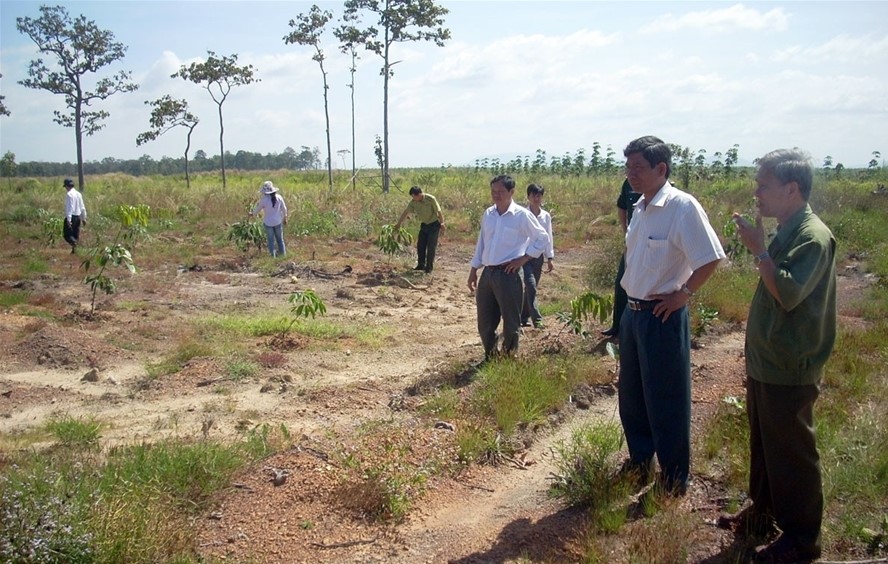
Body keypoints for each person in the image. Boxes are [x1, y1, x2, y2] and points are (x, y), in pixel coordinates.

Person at [718, 149, 835, 563]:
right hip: (769, 361)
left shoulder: (811, 237)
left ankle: (803, 540)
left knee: (792, 453)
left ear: (791, 188)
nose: (756, 193)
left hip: (791, 364)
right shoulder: (788, 227)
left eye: (763, 185)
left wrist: (758, 249)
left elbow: (785, 292)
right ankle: (763, 513)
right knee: (766, 442)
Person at [617, 136, 725, 495]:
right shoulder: (641, 206)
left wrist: (684, 295)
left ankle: (674, 476)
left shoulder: (682, 207)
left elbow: (709, 258)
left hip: (661, 315)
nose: (631, 174)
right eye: (628, 167)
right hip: (633, 315)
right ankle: (640, 461)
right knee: (633, 397)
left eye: (638, 168)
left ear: (661, 169)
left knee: (666, 398)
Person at [467, 175, 550, 361]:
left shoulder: (521, 215)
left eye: (501, 192)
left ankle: (508, 358)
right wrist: (474, 269)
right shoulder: (489, 214)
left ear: (511, 192)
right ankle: (490, 356)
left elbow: (542, 238)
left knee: (511, 321)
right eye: (493, 192)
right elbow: (482, 243)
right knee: (485, 321)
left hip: (508, 274)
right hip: (488, 273)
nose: (496, 195)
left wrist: (524, 258)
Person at [601, 178, 641, 337]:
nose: (633, 173)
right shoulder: (628, 183)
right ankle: (617, 327)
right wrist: (626, 233)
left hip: (651, 246)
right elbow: (622, 207)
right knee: (621, 283)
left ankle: (634, 329)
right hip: (631, 244)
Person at [521, 183, 554, 328]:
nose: (536, 198)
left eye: (538, 195)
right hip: (524, 257)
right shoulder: (522, 214)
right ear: (528, 197)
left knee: (530, 288)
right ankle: (537, 320)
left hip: (538, 258)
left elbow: (548, 237)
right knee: (531, 285)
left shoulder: (545, 216)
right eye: (533, 195)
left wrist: (550, 258)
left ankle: (523, 316)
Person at [394, 186, 445, 273]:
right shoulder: (413, 202)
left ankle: (429, 268)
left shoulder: (430, 199)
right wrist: (398, 224)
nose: (413, 198)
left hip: (434, 225)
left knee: (431, 247)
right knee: (420, 245)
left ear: (419, 194)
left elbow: (439, 211)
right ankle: (421, 265)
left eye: (414, 196)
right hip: (424, 225)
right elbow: (406, 212)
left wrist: (442, 223)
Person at [250, 181, 288, 257]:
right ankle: (283, 255)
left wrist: (252, 214)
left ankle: (272, 257)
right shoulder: (279, 197)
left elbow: (257, 210)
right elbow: (284, 209)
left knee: (271, 241)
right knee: (280, 240)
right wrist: (285, 218)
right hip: (278, 221)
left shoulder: (264, 200)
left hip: (268, 223)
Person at [63, 177, 87, 254]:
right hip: (78, 217)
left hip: (72, 217)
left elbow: (69, 208)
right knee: (75, 234)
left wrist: (68, 220)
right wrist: (84, 218)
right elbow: (82, 206)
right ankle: (75, 251)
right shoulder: (78, 194)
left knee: (67, 235)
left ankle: (75, 245)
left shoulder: (69, 195)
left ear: (67, 186)